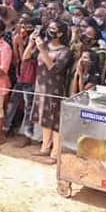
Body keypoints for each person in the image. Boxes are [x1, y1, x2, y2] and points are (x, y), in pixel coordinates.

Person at [30, 20, 72, 164]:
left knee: (55, 120)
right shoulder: (44, 45)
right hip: (41, 86)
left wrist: (42, 50)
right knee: (44, 117)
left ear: (60, 33)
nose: (50, 31)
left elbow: (54, 69)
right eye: (49, 28)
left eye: (53, 29)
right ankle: (45, 148)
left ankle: (55, 153)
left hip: (55, 88)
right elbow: (26, 58)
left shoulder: (65, 51)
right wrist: (32, 43)